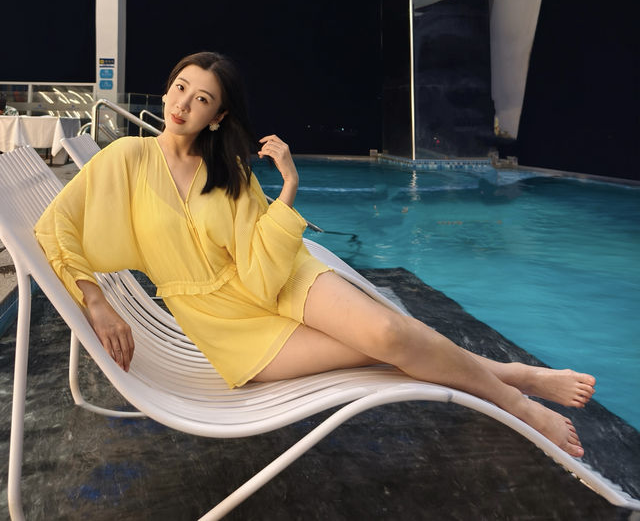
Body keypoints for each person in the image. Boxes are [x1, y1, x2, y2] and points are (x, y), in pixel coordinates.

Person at [35, 51, 594, 458]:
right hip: (229, 328)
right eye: (180, 88)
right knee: (384, 347)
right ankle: (515, 377)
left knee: (389, 333)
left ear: (219, 116)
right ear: (165, 92)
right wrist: (97, 301)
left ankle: (520, 403)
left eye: (202, 98)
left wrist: (289, 187)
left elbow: (261, 265)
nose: (184, 103)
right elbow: (55, 227)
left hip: (281, 277)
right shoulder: (126, 158)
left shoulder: (226, 171)